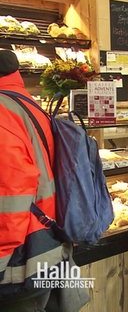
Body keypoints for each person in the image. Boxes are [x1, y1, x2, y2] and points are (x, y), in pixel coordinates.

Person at [0, 50, 72, 311]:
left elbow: (11, 194)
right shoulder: (27, 103)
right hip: (46, 237)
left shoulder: (2, 112)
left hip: (20, 257)